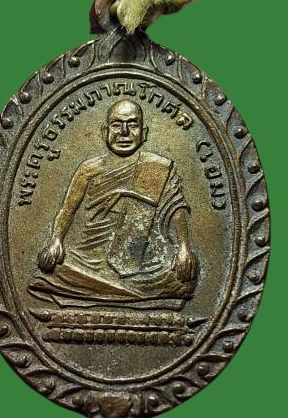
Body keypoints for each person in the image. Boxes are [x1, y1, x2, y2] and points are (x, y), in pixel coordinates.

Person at [28, 99, 198, 310]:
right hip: (90, 260)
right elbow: (68, 210)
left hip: (143, 260)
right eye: (117, 125)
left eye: (132, 125)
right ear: (104, 131)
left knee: (184, 279)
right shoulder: (89, 169)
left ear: (144, 133)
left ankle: (103, 292)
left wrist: (184, 248)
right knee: (49, 272)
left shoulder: (158, 167)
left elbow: (175, 209)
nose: (124, 132)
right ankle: (126, 294)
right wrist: (56, 240)